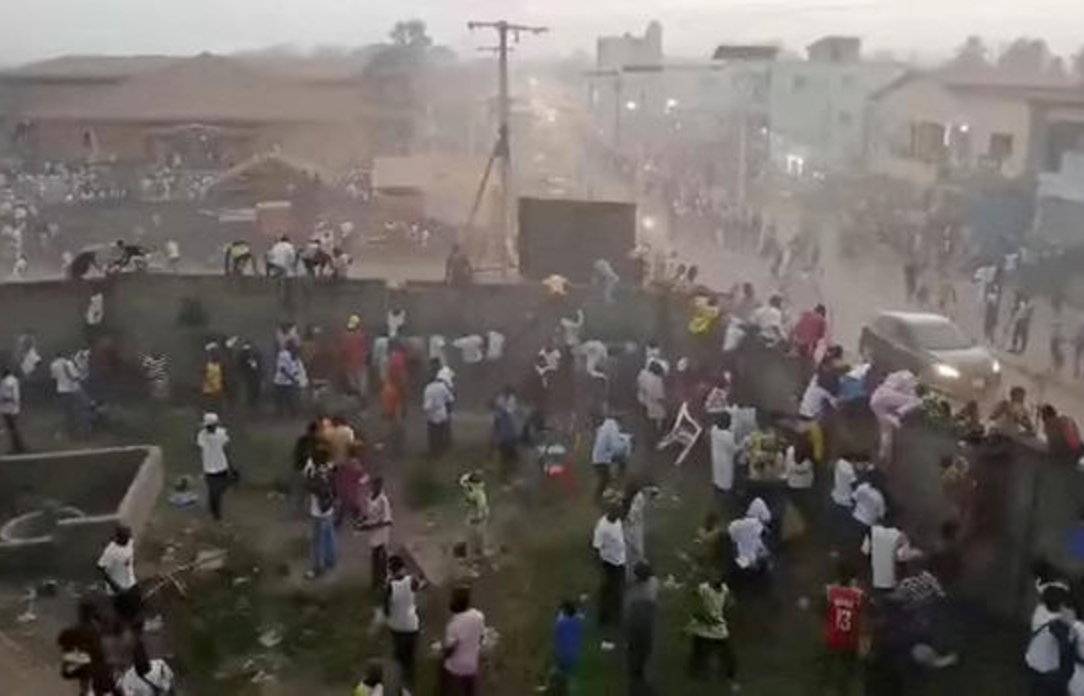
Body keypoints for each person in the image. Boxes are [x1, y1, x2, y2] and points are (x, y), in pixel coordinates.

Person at [686, 573, 740, 691]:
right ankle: (730, 679)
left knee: (699, 651)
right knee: (728, 655)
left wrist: (692, 579)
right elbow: (731, 604)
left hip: (704, 628)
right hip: (717, 629)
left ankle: (696, 671)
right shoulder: (723, 590)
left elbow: (693, 592)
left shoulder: (705, 588)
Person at [820, 563, 866, 695]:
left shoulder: (830, 591)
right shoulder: (859, 595)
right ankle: (844, 686)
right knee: (849, 666)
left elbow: (823, 611)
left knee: (830, 660)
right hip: (850, 642)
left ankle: (827, 681)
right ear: (853, 579)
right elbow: (864, 618)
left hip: (831, 638)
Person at [58, 600, 116, 696]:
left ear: (80, 614)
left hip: (84, 665)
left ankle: (85, 690)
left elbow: (62, 641)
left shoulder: (74, 630)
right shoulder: (99, 629)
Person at [385, 554, 423, 691]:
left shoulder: (390, 586)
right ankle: (410, 686)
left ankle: (398, 687)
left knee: (399, 658)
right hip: (412, 625)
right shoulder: (412, 580)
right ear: (403, 568)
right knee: (410, 659)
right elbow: (420, 586)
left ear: (391, 570)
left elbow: (386, 610)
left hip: (397, 627)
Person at [441, 586, 486, 696]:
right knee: (470, 689)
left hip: (455, 667)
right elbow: (480, 638)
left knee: (444, 670)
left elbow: (449, 652)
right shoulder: (479, 616)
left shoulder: (453, 624)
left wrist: (442, 650)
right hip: (472, 665)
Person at [869, 370, 921, 464]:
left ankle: (883, 456)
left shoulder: (894, 375)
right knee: (917, 401)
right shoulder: (908, 375)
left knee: (886, 430)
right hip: (885, 396)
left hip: (875, 400)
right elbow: (910, 393)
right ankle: (896, 415)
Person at [593, 503, 627, 642]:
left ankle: (614, 616)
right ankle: (606, 618)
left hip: (620, 560)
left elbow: (619, 536)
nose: (618, 516)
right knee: (610, 590)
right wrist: (600, 565)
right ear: (609, 513)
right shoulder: (602, 527)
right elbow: (596, 547)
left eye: (619, 514)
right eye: (616, 514)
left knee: (616, 589)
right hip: (610, 563)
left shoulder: (617, 521)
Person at [97, 524, 141, 630]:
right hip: (118, 588)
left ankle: (133, 625)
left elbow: (129, 551)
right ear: (119, 537)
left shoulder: (129, 542)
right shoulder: (110, 551)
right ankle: (120, 628)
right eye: (125, 537)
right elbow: (100, 568)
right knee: (121, 611)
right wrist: (115, 586)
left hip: (131, 583)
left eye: (128, 536)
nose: (128, 538)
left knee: (136, 607)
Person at [625, 561, 659, 696]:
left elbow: (628, 610)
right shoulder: (654, 584)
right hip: (646, 623)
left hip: (637, 623)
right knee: (645, 649)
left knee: (636, 650)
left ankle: (636, 677)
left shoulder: (633, 590)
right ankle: (639, 675)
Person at [862, 514, 918, 592]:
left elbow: (865, 551)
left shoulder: (871, 531)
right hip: (894, 583)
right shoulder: (900, 534)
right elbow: (904, 557)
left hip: (875, 581)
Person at [305, 451, 338, 579]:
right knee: (329, 535)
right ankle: (331, 560)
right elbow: (334, 471)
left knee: (317, 540)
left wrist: (311, 477)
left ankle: (318, 568)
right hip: (328, 508)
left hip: (318, 511)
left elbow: (308, 483)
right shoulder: (329, 462)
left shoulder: (312, 465)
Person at [196, 412, 232, 521]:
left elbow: (226, 447)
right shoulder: (202, 435)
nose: (211, 428)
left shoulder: (222, 433)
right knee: (214, 491)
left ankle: (213, 509)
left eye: (213, 425)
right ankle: (216, 514)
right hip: (209, 468)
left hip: (222, 466)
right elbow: (201, 445)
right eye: (209, 426)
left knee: (219, 489)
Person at [359, 477, 392, 590]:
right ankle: (376, 582)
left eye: (376, 485)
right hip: (373, 533)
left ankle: (382, 582)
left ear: (380, 486)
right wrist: (362, 519)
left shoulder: (383, 500)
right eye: (373, 485)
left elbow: (387, 521)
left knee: (380, 558)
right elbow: (368, 513)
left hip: (381, 534)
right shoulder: (370, 496)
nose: (373, 487)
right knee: (375, 558)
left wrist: (368, 526)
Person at [592, 412, 630, 502]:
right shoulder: (613, 427)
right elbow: (616, 446)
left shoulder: (605, 426)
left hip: (599, 457)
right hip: (603, 458)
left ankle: (609, 492)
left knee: (606, 478)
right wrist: (625, 445)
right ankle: (616, 491)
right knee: (608, 477)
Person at [553, 599, 585, 695]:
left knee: (561, 676)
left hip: (563, 655)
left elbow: (558, 639)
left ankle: (560, 691)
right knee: (572, 678)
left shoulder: (560, 623)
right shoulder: (578, 622)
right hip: (575, 655)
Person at [424, 366, 455, 458]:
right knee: (441, 434)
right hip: (442, 414)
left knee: (433, 436)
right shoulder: (442, 386)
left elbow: (427, 405)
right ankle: (441, 451)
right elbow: (450, 399)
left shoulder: (427, 389)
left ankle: (434, 452)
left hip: (432, 416)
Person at [711, 412, 738, 508]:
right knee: (726, 481)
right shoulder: (728, 436)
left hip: (716, 459)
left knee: (718, 477)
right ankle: (726, 503)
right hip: (725, 462)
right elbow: (735, 450)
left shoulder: (714, 430)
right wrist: (744, 442)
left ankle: (717, 496)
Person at [459, 471, 490, 559]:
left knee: (477, 533)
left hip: (476, 515)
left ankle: (477, 552)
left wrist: (479, 517)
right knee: (476, 534)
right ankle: (475, 552)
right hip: (475, 514)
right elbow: (480, 504)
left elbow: (481, 505)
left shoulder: (476, 492)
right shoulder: (475, 490)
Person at [340, 314, 370, 400]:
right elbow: (366, 349)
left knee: (353, 385)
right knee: (362, 385)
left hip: (349, 365)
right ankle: (363, 401)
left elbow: (343, 351)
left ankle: (356, 402)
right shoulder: (362, 335)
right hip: (361, 364)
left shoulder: (345, 336)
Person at [273, 343, 306, 416]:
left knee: (290, 398)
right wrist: (292, 378)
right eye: (295, 349)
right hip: (280, 381)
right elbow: (282, 369)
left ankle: (293, 412)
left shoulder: (294, 357)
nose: (297, 352)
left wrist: (297, 378)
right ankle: (280, 413)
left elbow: (294, 370)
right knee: (281, 399)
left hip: (288, 382)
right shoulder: (283, 355)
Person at [637, 360, 667, 438]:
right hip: (653, 407)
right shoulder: (657, 379)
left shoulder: (643, 374)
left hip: (643, 402)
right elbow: (658, 396)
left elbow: (639, 386)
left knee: (646, 424)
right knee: (654, 425)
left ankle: (648, 438)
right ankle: (656, 438)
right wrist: (665, 404)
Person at [0, 366, 25, 453]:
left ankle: (18, 446)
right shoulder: (6, 381)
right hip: (7, 408)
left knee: (12, 428)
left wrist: (15, 409)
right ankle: (17, 446)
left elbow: (14, 396)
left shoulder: (10, 381)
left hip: (9, 408)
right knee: (11, 428)